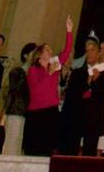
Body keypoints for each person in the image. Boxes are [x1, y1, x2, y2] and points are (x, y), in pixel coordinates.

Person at [23, 16, 73, 156]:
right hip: (36, 113)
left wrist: (69, 31)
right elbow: (37, 91)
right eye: (47, 49)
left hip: (51, 111)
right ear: (40, 53)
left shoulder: (53, 64)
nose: (50, 51)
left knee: (48, 148)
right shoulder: (33, 70)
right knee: (34, 149)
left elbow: (67, 51)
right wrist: (49, 73)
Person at [59, 36, 104, 156]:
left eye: (92, 50)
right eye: (87, 50)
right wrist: (88, 82)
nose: (89, 53)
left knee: (89, 154)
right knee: (70, 152)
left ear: (99, 52)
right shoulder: (78, 72)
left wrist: (95, 81)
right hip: (76, 118)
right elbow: (72, 95)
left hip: (93, 119)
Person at [3, 41, 35, 156]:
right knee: (11, 146)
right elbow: (16, 91)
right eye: (33, 53)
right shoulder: (17, 72)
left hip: (27, 115)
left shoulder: (34, 73)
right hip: (15, 113)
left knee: (20, 148)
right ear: (25, 55)